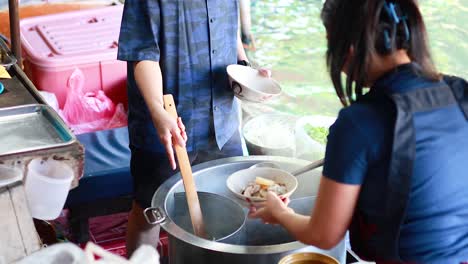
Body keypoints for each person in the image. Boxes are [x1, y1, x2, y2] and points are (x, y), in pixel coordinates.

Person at [249, 0, 468, 263]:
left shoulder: (358, 122)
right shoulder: (459, 92)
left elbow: (324, 235)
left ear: (349, 48)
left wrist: (279, 213)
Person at [117, 0, 269, 257]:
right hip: (167, 125)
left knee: (233, 200)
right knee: (149, 211)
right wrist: (157, 110)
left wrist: (245, 70)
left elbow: (229, 28)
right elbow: (143, 55)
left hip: (222, 122)